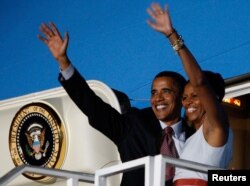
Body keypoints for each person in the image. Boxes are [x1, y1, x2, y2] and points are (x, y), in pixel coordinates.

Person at [37, 8, 195, 186]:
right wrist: (63, 62)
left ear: (182, 97)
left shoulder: (196, 135)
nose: (157, 98)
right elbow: (94, 108)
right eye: (153, 92)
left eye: (166, 91)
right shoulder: (134, 125)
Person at [147, 2, 233, 186]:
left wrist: (172, 36)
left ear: (213, 98)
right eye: (184, 97)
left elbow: (200, 82)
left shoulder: (215, 125)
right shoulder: (193, 137)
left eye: (195, 96)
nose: (187, 102)